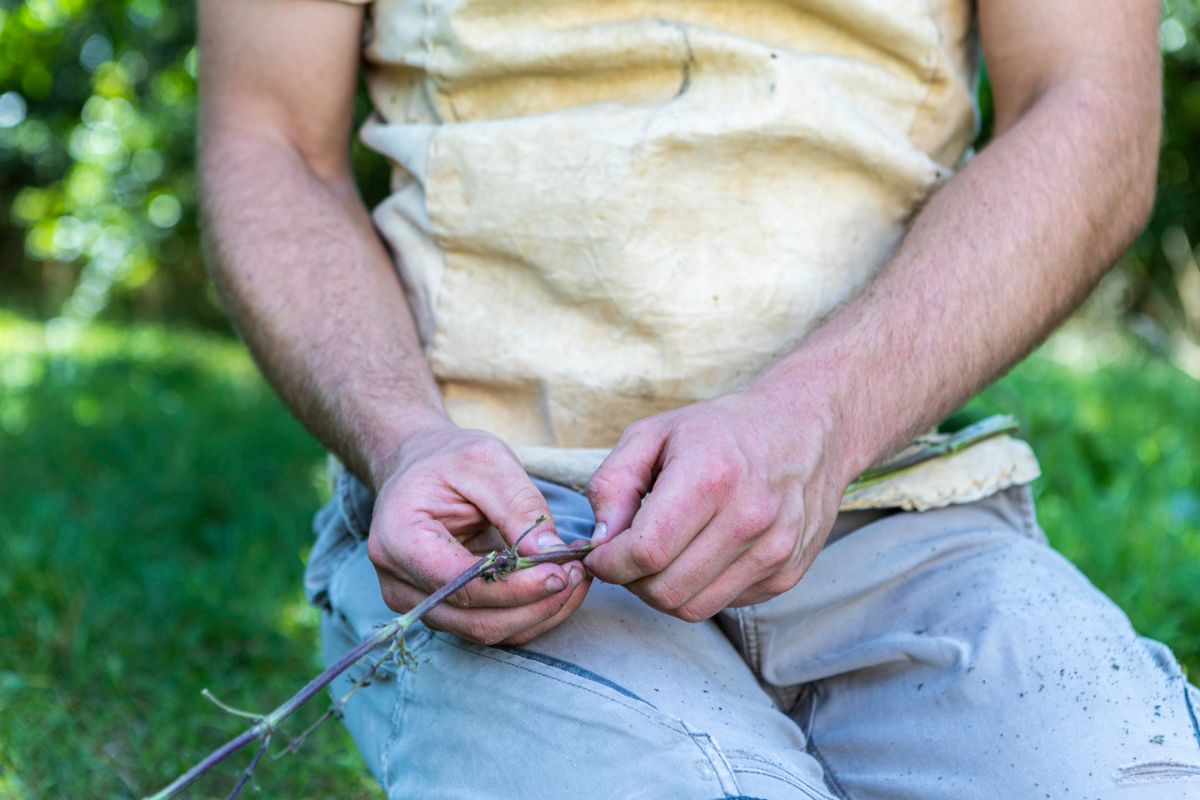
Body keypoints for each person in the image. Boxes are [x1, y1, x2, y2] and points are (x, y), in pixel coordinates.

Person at [197, 0, 1200, 797]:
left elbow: (1086, 104)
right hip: (502, 526)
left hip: (901, 498)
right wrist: (402, 439)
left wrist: (823, 416)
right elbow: (269, 137)